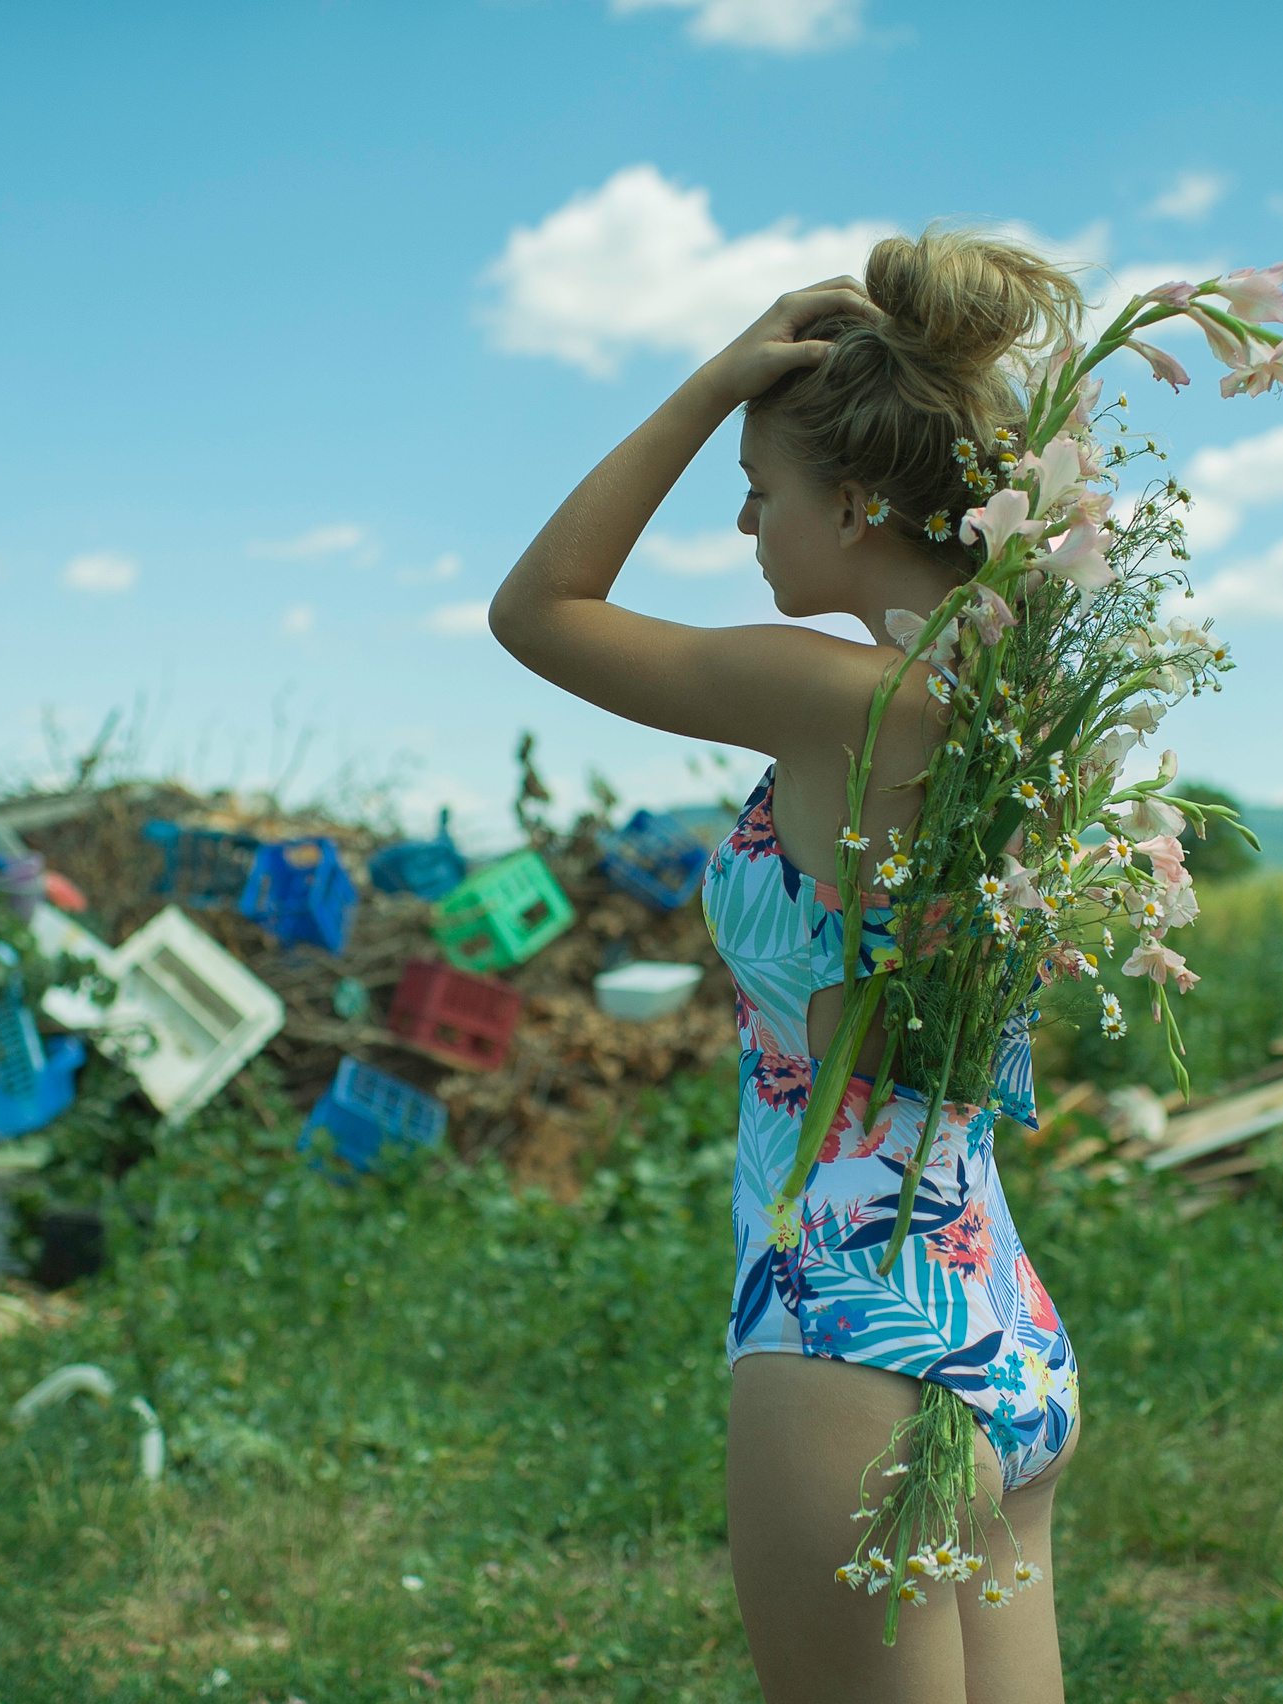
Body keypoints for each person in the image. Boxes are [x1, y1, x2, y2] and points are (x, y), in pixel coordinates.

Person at [491, 228, 1085, 1704]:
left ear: (860, 499)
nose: (748, 529)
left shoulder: (835, 697)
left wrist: (712, 384)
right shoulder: (1020, 710)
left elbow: (538, 611)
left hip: (845, 1319)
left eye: (760, 495)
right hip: (996, 1308)